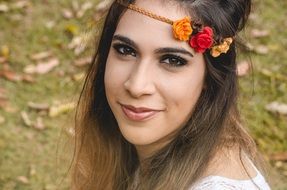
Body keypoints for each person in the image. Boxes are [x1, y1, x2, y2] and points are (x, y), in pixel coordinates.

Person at [71, 0, 271, 189]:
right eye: (125, 50)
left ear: (210, 78)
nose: (137, 86)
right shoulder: (127, 156)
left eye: (173, 60)